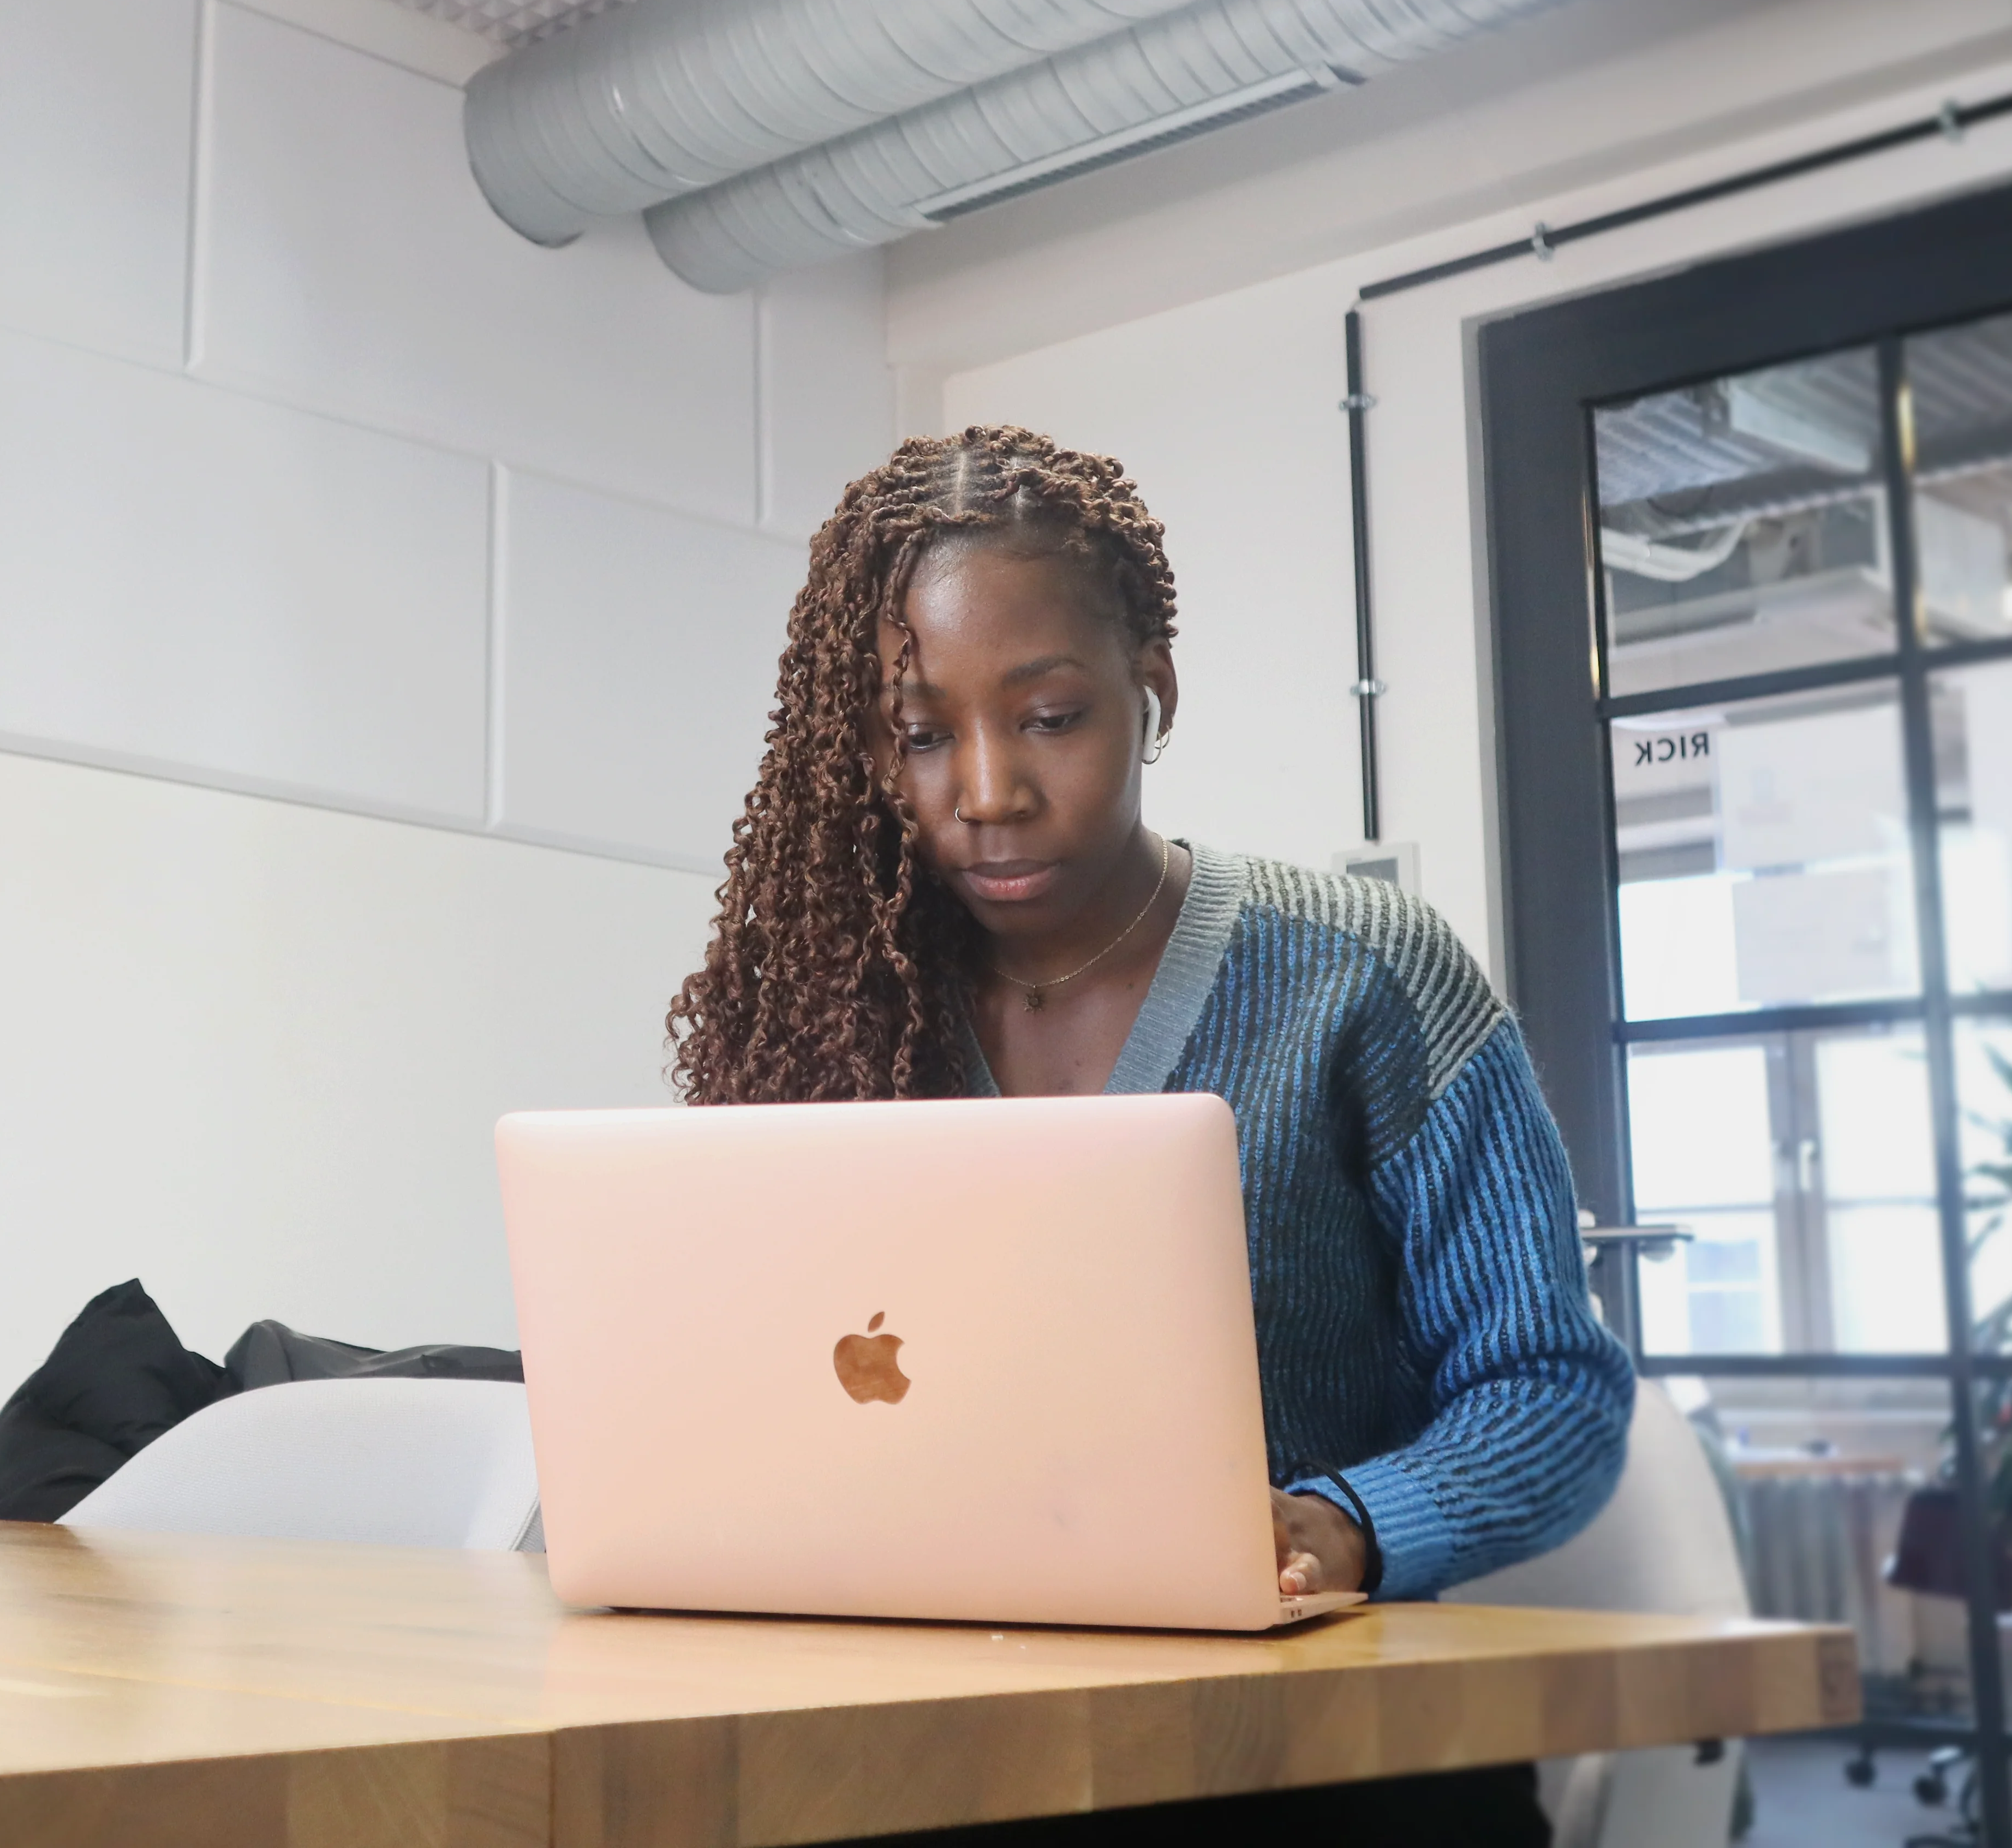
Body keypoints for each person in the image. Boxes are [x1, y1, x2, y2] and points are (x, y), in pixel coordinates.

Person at [667, 425, 1631, 1848]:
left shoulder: (1361, 976)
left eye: (1050, 716)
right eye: (923, 735)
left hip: (1319, 1763)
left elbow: (1552, 1389)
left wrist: (1345, 1521)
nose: (986, 788)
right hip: (947, 1743)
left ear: (1150, 693)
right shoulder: (833, 1002)